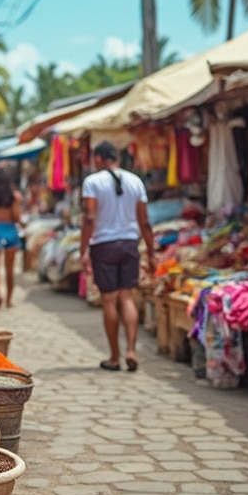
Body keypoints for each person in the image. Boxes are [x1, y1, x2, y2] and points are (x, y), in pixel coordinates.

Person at [79, 141, 155, 372]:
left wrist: (84, 249)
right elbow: (144, 221)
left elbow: (90, 218)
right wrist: (151, 252)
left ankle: (114, 357)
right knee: (127, 297)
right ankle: (132, 350)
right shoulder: (135, 181)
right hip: (129, 244)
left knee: (109, 300)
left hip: (104, 245)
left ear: (100, 159)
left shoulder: (92, 182)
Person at [0, 167, 23, 309]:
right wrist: (23, 223)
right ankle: (9, 300)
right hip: (10, 232)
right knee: (10, 270)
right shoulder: (15, 196)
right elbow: (16, 216)